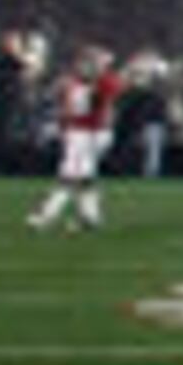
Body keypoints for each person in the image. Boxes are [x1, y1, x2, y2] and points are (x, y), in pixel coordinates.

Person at [28, 45, 118, 233]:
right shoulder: (80, 82)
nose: (81, 66)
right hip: (83, 132)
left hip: (88, 134)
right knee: (85, 177)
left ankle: (46, 214)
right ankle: (91, 217)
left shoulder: (102, 84)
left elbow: (90, 104)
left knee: (69, 176)